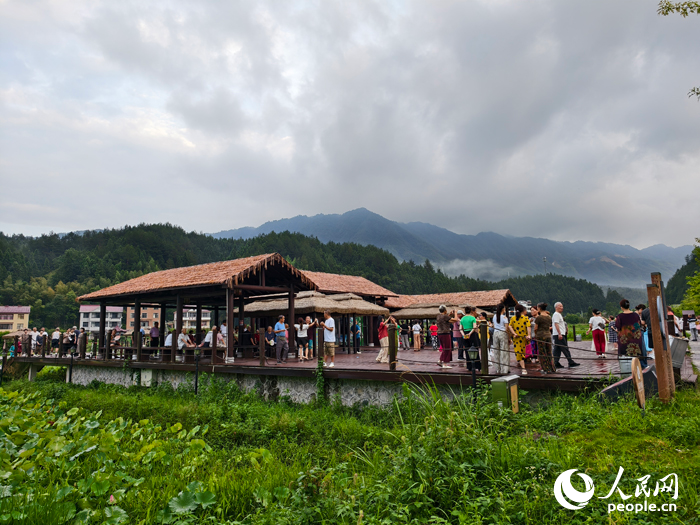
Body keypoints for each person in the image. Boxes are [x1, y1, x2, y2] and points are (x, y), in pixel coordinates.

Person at [615, 299, 645, 367]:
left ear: (621, 307)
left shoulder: (620, 316)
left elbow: (618, 328)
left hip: (624, 341)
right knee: (636, 358)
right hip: (636, 341)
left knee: (625, 359)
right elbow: (639, 325)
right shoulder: (636, 315)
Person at [551, 302, 580, 369]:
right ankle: (570, 361)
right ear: (556, 307)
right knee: (565, 348)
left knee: (557, 349)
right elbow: (556, 324)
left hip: (559, 334)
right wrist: (559, 333)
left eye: (562, 306)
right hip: (559, 334)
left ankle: (555, 362)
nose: (562, 308)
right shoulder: (556, 314)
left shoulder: (558, 314)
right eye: (560, 306)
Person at [534, 303, 555, 374]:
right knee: (549, 352)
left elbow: (535, 328)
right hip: (548, 335)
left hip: (540, 336)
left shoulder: (539, 318)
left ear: (539, 308)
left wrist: (536, 334)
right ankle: (552, 368)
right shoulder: (549, 317)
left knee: (542, 352)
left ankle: (546, 368)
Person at [508, 304, 530, 375]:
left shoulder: (513, 318)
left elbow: (509, 326)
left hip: (517, 338)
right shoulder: (526, 318)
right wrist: (529, 335)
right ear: (523, 310)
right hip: (524, 338)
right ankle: (523, 367)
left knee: (519, 354)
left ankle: (523, 369)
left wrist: (514, 333)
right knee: (524, 352)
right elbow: (528, 327)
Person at [491, 303, 510, 374]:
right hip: (502, 333)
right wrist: (509, 338)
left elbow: (493, 325)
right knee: (504, 351)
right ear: (503, 309)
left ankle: (498, 369)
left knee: (496, 351)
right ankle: (504, 369)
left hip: (495, 333)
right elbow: (506, 329)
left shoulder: (494, 316)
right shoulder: (504, 318)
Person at [460, 307, 480, 371]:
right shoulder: (473, 318)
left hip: (465, 333)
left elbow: (460, 328)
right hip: (472, 334)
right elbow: (474, 327)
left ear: (465, 311)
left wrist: (463, 334)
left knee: (467, 350)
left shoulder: (462, 319)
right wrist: (470, 333)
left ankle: (469, 366)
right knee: (475, 349)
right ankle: (477, 365)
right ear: (471, 311)